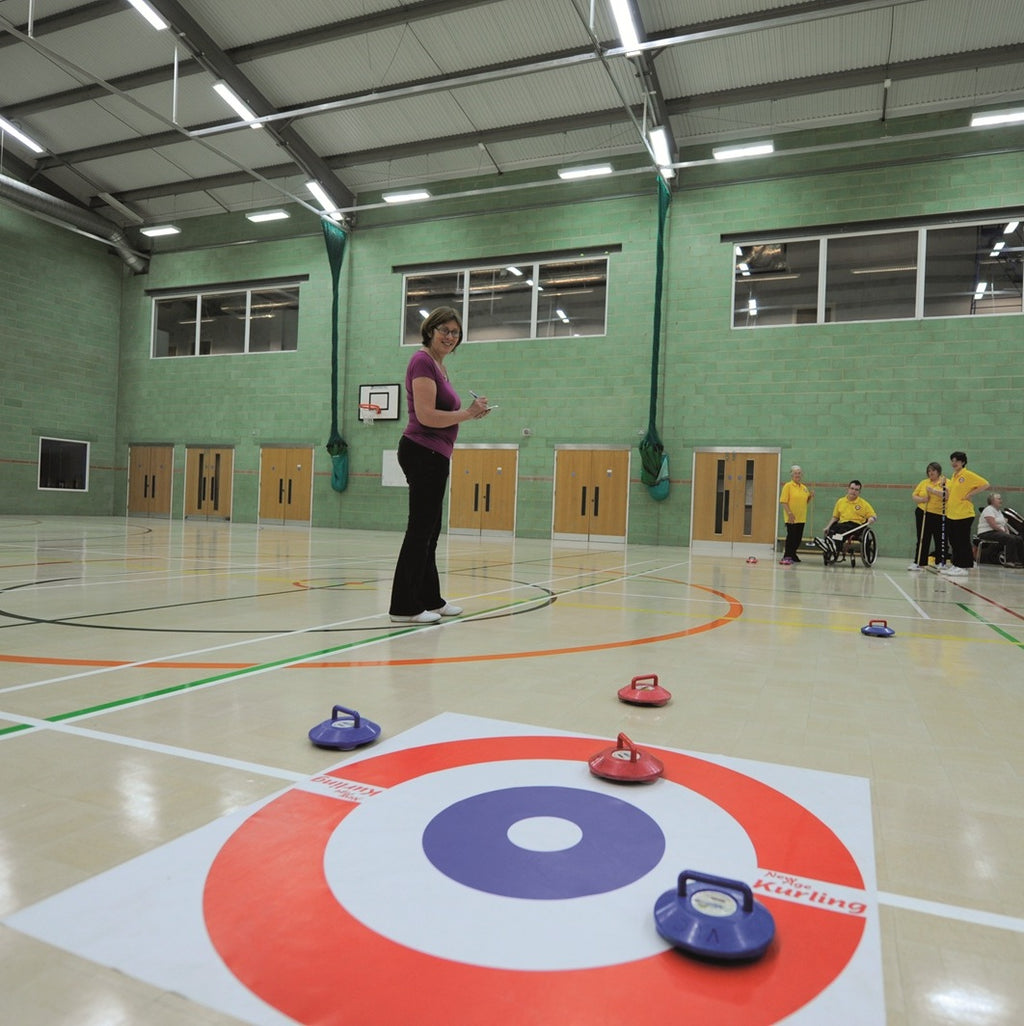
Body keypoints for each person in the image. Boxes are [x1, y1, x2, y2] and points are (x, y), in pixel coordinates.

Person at [388, 307, 490, 623]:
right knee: (420, 529)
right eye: (444, 330)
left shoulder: (439, 367)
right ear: (430, 330)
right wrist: (468, 413)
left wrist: (469, 413)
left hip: (436, 454)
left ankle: (431, 599)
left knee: (431, 530)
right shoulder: (421, 361)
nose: (450, 337)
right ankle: (404, 606)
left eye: (455, 333)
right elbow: (427, 416)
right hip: (422, 451)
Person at [934, 451, 988, 577]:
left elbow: (985, 484)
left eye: (957, 461)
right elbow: (952, 493)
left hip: (964, 514)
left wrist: (970, 494)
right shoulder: (954, 476)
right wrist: (945, 487)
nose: (954, 463)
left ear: (963, 462)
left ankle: (964, 566)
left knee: (962, 541)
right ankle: (956, 564)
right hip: (952, 513)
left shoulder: (967, 475)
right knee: (954, 541)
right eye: (952, 461)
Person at [909, 462, 945, 570]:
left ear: (938, 471)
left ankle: (940, 562)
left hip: (939, 514)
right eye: (929, 471)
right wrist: (922, 499)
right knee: (922, 538)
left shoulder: (944, 482)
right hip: (923, 512)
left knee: (939, 539)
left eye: (933, 470)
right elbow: (914, 496)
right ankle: (919, 562)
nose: (931, 473)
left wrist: (933, 491)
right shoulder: (924, 482)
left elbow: (947, 495)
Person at [977, 493, 1024, 568]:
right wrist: (1005, 533)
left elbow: (1004, 524)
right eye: (998, 499)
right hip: (986, 532)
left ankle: (1020, 561)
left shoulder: (998, 512)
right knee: (1010, 539)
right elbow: (993, 525)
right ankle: (1010, 561)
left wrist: (1007, 533)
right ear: (992, 501)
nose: (1001, 500)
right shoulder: (988, 509)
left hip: (997, 532)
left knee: (1018, 539)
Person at [779, 465, 814, 565]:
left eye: (799, 473)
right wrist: (789, 513)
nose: (797, 475)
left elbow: (805, 502)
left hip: (801, 517)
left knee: (798, 538)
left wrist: (810, 496)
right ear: (791, 474)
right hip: (791, 517)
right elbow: (783, 501)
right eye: (795, 473)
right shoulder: (788, 486)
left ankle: (793, 554)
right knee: (791, 536)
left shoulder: (804, 488)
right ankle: (787, 555)